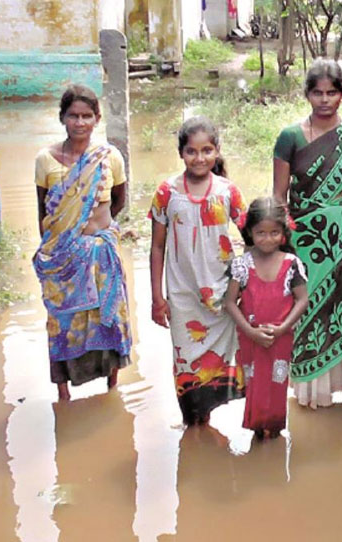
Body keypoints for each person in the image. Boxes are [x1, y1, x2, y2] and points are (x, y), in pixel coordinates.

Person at [272, 59, 342, 409]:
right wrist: (280, 245)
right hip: (305, 244)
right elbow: (279, 196)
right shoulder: (289, 137)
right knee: (308, 314)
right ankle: (311, 392)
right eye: (317, 93)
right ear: (306, 95)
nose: (324, 100)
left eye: (331, 93)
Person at [33, 84, 132, 401]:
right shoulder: (46, 160)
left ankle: (111, 389)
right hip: (63, 259)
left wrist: (96, 233)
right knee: (63, 322)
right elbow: (43, 212)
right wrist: (59, 253)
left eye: (87, 116)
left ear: (97, 118)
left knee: (110, 318)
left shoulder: (109, 157)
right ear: (62, 118)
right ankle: (64, 394)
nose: (80, 122)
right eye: (73, 116)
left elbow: (118, 200)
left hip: (101, 253)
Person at [148, 116, 247, 425]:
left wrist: (249, 286)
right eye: (192, 151)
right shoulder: (167, 193)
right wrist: (156, 298)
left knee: (225, 357)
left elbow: (254, 239)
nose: (199, 158)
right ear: (181, 153)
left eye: (207, 151)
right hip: (182, 297)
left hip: (222, 297)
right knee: (185, 362)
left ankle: (210, 420)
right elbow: (157, 248)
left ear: (216, 152)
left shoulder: (228, 191)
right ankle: (195, 422)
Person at [224, 197, 309, 439]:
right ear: (250, 231)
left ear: (283, 232)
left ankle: (273, 430)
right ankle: (258, 433)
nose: (267, 238)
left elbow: (302, 300)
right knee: (255, 386)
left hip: (280, 338)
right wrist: (250, 331)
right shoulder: (241, 265)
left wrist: (283, 328)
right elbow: (230, 302)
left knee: (277, 386)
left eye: (274, 232)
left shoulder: (292, 264)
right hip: (250, 338)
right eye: (261, 232)